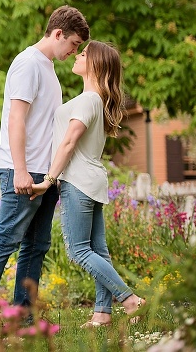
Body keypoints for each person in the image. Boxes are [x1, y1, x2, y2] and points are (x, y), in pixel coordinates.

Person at [0, 5, 90, 313]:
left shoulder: (47, 68)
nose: (74, 52)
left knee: (37, 246)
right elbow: (17, 119)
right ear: (58, 34)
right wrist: (21, 171)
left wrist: (51, 175)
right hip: (23, 171)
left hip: (45, 173)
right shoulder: (28, 64)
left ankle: (23, 316)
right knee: (6, 241)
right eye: (74, 44)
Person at [31, 40, 145, 327]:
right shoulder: (95, 100)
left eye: (83, 54)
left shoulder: (88, 100)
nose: (77, 56)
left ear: (94, 64)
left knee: (79, 250)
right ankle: (102, 313)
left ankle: (130, 300)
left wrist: (48, 180)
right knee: (98, 249)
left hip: (77, 181)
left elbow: (69, 142)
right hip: (92, 181)